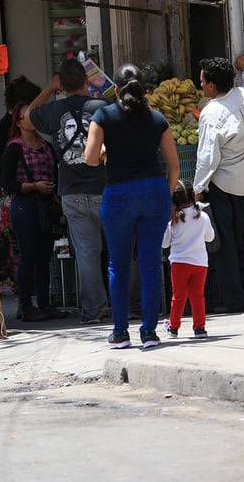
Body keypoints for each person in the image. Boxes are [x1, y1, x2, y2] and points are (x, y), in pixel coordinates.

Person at [84, 63, 179, 349]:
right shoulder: (157, 119)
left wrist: (103, 152)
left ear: (117, 88)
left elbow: (89, 159)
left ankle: (120, 332)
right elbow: (173, 167)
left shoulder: (103, 116)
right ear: (143, 88)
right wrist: (167, 194)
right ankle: (149, 332)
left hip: (119, 195)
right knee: (151, 263)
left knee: (119, 264)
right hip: (153, 192)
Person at [28, 59, 109, 324]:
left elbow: (29, 115)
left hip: (72, 192)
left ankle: (92, 310)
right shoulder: (103, 107)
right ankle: (129, 305)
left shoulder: (53, 110)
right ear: (87, 82)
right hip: (105, 189)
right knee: (121, 249)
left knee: (87, 254)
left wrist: (50, 88)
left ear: (61, 85)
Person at [193, 54, 244, 313]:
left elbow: (207, 157)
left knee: (224, 245)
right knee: (241, 239)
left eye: (202, 81)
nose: (200, 85)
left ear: (211, 85)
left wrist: (198, 190)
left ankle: (234, 300)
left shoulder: (211, 114)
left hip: (223, 187)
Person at [0, 102, 66, 322]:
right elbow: (7, 183)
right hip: (24, 206)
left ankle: (45, 304)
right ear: (18, 123)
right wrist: (34, 185)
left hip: (45, 206)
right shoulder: (14, 148)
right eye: (28, 115)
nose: (33, 118)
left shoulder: (46, 146)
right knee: (28, 257)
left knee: (44, 257)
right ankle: (25, 305)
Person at [0, 77, 42, 296]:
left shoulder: (8, 124)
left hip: (14, 192)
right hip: (16, 192)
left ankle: (21, 289)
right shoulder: (9, 129)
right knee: (19, 243)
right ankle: (21, 293)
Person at [161, 180, 215, 339]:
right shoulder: (203, 217)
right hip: (200, 263)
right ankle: (199, 328)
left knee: (178, 296)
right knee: (197, 296)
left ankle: (173, 327)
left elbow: (164, 243)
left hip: (179, 263)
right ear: (193, 196)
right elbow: (210, 238)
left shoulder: (173, 221)